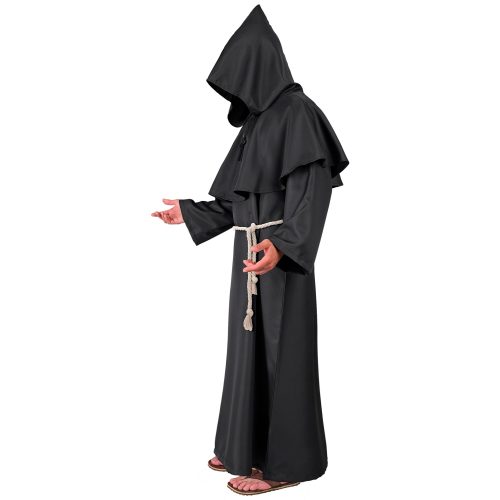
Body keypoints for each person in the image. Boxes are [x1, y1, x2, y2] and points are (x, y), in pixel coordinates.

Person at [152, 4, 349, 495]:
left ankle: (284, 464)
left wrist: (283, 246)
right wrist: (190, 213)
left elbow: (312, 193)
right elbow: (238, 199)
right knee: (245, 353)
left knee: (283, 356)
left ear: (257, 68)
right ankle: (242, 446)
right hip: (249, 254)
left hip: (281, 260)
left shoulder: (299, 113)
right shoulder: (258, 123)